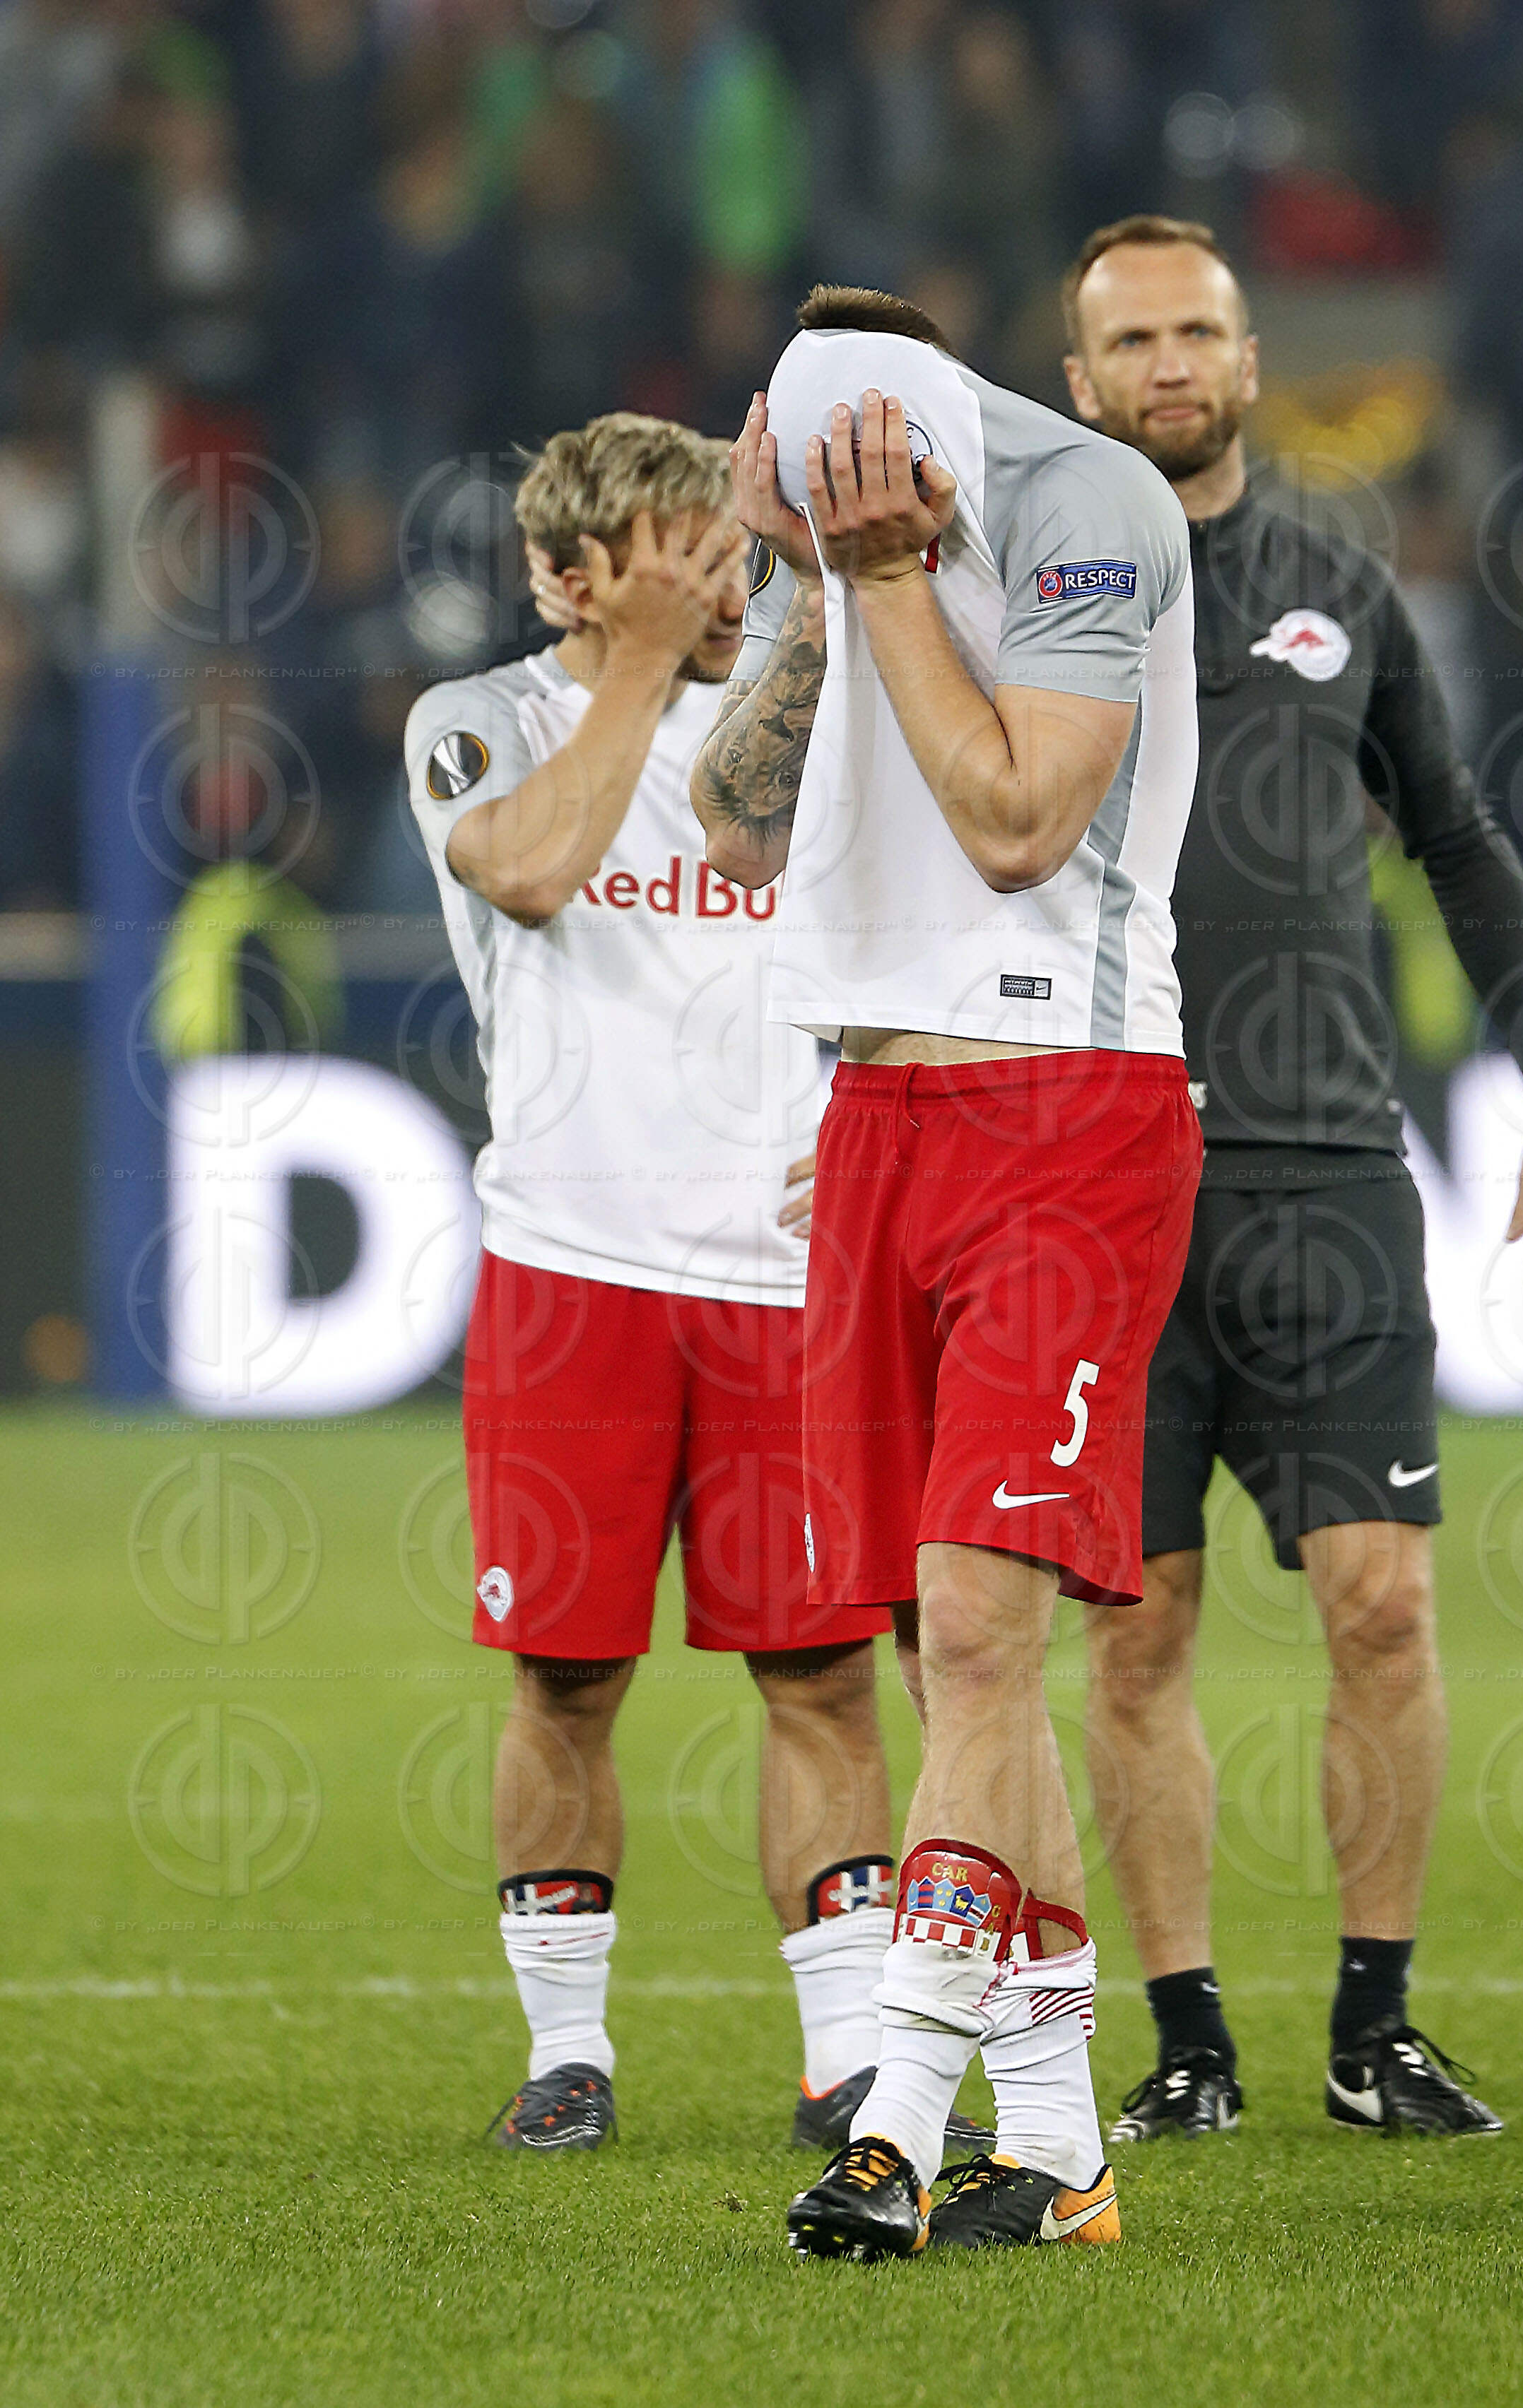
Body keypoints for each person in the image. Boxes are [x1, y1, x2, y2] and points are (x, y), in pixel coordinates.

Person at [1059, 216, 1523, 2142]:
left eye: (1201, 328)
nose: (1173, 362)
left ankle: (1373, 2031)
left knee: (1382, 1604)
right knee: (1139, 1629)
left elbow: (1455, 835)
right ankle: (1186, 2042)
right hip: (1102, 1169)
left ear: (1253, 358)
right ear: (1081, 381)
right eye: (1134, 339)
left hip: (1326, 1163)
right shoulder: (1028, 599)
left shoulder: (1336, 580)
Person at [691, 286, 1203, 2256]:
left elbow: (1015, 819)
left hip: (1066, 1115)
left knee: (984, 1645)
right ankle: (1063, 2144)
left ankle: (900, 2118)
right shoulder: (843, 537)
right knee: (941, 1654)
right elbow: (741, 834)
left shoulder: (1092, 501)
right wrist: (808, 584)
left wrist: (890, 574)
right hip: (880, 1125)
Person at [405, 413, 907, 2157]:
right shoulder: (479, 726)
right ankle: (570, 2054)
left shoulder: (813, 725)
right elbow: (536, 871)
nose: (724, 583)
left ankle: (845, 2056)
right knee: (563, 1678)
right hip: (571, 1272)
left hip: (788, 1282)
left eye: (732, 549)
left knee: (824, 1674)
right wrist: (628, 666)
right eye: (679, 554)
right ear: (566, 573)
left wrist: (871, 1123)